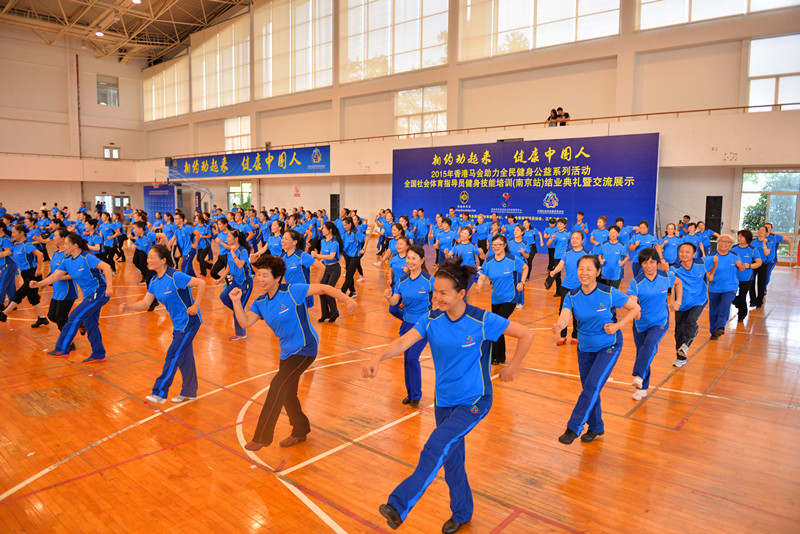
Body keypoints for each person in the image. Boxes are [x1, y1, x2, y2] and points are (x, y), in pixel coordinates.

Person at [363, 259, 534, 533]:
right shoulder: (431, 319)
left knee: (435, 446)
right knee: (452, 460)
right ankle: (462, 512)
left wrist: (512, 367)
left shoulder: (481, 320)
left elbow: (526, 334)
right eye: (434, 292)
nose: (437, 298)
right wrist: (378, 356)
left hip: (474, 401)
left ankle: (398, 504)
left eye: (443, 293)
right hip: (444, 402)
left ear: (461, 293)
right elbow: (403, 342)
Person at [230, 255, 357, 451]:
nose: (260, 279)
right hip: (287, 351)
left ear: (277, 277)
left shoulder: (292, 291)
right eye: (258, 275)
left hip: (305, 348)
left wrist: (347, 299)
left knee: (277, 385)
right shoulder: (260, 301)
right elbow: (245, 322)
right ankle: (300, 429)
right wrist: (237, 302)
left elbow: (324, 288)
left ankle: (261, 436)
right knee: (288, 393)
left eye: (265, 275)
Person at [553, 255, 640, 444]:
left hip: (608, 346)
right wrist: (560, 325)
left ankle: (573, 427)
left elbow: (634, 308)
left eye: (589, 269)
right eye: (581, 269)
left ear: (597, 272)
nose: (584, 273)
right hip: (584, 347)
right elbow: (565, 316)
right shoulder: (572, 295)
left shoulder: (608, 292)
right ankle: (596, 426)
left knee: (592, 385)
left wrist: (619, 326)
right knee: (590, 388)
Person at [120, 244, 206, 403]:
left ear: (163, 260)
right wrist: (128, 307)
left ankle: (159, 393)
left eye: (152, 257)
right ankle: (189, 391)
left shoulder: (175, 276)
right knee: (185, 357)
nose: (149, 260)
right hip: (178, 323)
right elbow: (146, 302)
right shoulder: (153, 280)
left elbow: (201, 283)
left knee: (173, 355)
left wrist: (196, 305)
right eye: (148, 257)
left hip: (189, 322)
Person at [33, 233, 113, 362]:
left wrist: (109, 287)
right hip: (89, 295)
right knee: (90, 323)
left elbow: (107, 267)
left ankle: (62, 349)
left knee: (74, 316)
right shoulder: (67, 261)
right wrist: (38, 284)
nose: (64, 246)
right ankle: (98, 354)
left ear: (74, 246)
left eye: (66, 244)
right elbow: (54, 277)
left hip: (99, 292)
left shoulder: (87, 257)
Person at [626, 248, 681, 401]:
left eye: (652, 262)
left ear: (657, 262)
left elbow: (678, 283)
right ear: (641, 264)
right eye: (645, 263)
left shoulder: (666, 276)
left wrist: (677, 301)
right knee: (643, 353)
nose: (649, 266)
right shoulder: (636, 282)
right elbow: (631, 302)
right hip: (640, 324)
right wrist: (635, 311)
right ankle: (642, 388)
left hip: (660, 321)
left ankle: (638, 375)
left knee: (649, 345)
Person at [383, 245, 433, 408]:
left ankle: (416, 394)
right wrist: (389, 297)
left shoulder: (429, 281)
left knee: (412, 358)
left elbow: (439, 301)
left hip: (423, 325)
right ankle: (410, 394)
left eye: (414, 258)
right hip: (407, 324)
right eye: (409, 258)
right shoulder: (402, 280)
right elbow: (394, 302)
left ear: (422, 260)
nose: (410, 261)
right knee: (407, 359)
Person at [476, 234, 526, 364]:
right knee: (499, 326)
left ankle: (494, 356)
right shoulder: (488, 261)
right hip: (496, 299)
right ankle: (500, 356)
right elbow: (482, 276)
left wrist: (522, 282)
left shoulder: (512, 259)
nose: (496, 247)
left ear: (504, 245)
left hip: (510, 298)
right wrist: (479, 286)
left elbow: (525, 268)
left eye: (499, 244)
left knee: (496, 324)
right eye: (494, 245)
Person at [670, 243, 711, 367]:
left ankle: (686, 345)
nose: (684, 254)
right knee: (678, 331)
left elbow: (715, 259)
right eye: (681, 251)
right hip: (681, 304)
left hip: (698, 300)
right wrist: (673, 302)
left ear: (694, 254)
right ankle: (680, 358)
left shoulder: (702, 263)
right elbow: (671, 285)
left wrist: (711, 273)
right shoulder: (675, 268)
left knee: (691, 321)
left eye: (688, 252)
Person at [0, 225, 49, 327]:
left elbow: (40, 255)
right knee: (33, 297)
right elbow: (5, 253)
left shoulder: (27, 245)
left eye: (14, 232)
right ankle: (42, 318)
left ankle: (4, 314)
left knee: (19, 294)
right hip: (25, 274)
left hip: (33, 273)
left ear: (21, 233)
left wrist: (39, 270)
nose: (12, 234)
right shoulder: (15, 246)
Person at [548, 231, 589, 345]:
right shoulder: (567, 252)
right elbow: (561, 265)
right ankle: (563, 336)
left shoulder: (587, 253)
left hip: (580, 287)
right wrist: (554, 271)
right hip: (566, 286)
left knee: (577, 312)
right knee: (563, 311)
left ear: (582, 240)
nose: (574, 240)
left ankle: (575, 336)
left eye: (577, 238)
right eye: (572, 238)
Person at [217, 229, 253, 340]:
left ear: (236, 239)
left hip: (245, 283)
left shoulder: (243, 251)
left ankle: (241, 334)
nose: (226, 239)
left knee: (238, 308)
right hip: (236, 282)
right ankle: (240, 312)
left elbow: (240, 265)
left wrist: (233, 253)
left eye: (228, 237)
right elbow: (228, 268)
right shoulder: (229, 253)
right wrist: (220, 279)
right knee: (223, 296)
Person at [46, 229, 78, 343]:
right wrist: (45, 281)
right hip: (57, 291)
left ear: (63, 239)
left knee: (60, 319)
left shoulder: (68, 255)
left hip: (67, 291)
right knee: (51, 316)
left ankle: (69, 342)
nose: (53, 238)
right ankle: (77, 324)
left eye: (55, 236)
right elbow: (53, 271)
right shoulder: (55, 254)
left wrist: (57, 278)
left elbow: (73, 274)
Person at [706, 234, 736, 340]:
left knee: (725, 306)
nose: (724, 243)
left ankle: (721, 326)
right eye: (722, 241)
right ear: (718, 243)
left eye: (727, 242)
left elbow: (742, 268)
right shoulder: (712, 256)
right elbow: (706, 271)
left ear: (731, 244)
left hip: (730, 287)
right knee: (714, 311)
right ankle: (714, 332)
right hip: (715, 288)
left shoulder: (734, 256)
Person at [311, 221, 343, 322]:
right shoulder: (323, 242)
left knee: (329, 290)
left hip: (335, 269)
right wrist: (318, 261)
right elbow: (324, 257)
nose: (322, 230)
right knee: (321, 290)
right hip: (326, 268)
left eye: (324, 228)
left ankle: (334, 313)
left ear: (329, 230)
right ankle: (325, 314)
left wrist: (317, 256)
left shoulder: (334, 243)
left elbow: (331, 256)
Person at [732, 229, 762, 323]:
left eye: (741, 237)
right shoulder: (733, 248)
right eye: (738, 236)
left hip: (746, 278)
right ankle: (738, 304)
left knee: (742, 296)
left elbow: (759, 263)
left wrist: (748, 265)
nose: (739, 238)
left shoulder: (753, 250)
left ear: (747, 239)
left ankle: (741, 316)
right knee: (730, 296)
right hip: (733, 277)